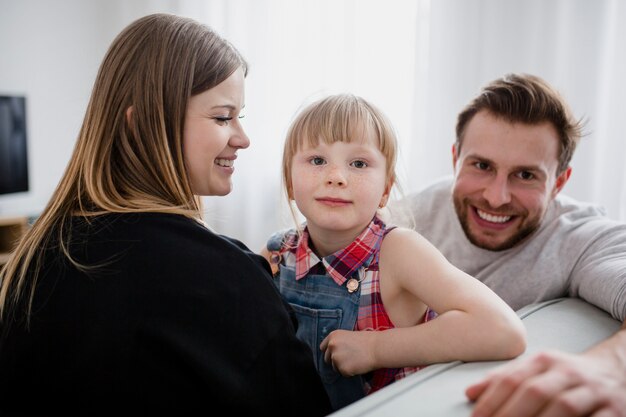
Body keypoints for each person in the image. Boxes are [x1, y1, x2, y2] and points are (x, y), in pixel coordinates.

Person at [0, 13, 332, 416]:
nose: (243, 139)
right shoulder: (226, 277)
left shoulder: (30, 264)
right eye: (223, 117)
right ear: (141, 126)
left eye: (238, 117)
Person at [261, 93, 527, 411]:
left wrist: (376, 348)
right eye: (317, 161)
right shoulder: (278, 253)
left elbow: (502, 330)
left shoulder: (397, 252)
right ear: (290, 182)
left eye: (358, 164)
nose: (336, 177)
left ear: (385, 190)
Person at [389, 73, 626, 417]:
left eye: (526, 175)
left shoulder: (580, 237)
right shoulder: (416, 210)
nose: (495, 197)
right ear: (456, 159)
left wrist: (610, 366)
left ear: (559, 182)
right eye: (482, 166)